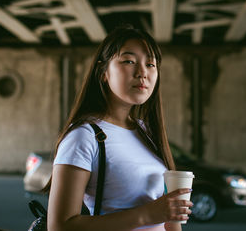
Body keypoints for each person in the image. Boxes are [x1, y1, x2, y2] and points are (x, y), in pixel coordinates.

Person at [46, 25, 193, 231]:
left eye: (151, 64)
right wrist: (146, 215)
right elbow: (60, 226)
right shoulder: (84, 136)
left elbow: (169, 220)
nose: (142, 73)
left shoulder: (146, 132)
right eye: (129, 61)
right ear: (103, 72)